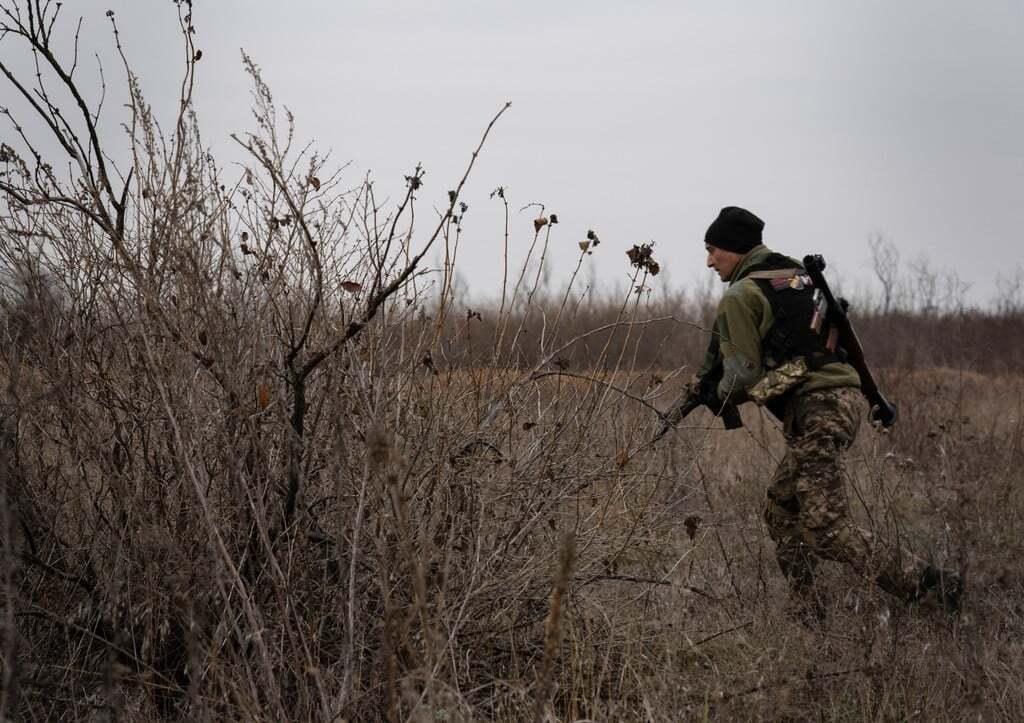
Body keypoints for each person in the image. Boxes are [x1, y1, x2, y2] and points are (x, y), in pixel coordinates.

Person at [693, 205, 962, 620]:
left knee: (827, 528)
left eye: (713, 250)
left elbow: (743, 374)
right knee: (781, 508)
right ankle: (808, 610)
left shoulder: (742, 295)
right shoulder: (794, 278)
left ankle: (932, 587)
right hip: (838, 402)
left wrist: (718, 395)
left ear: (734, 248)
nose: (709, 261)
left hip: (819, 409)